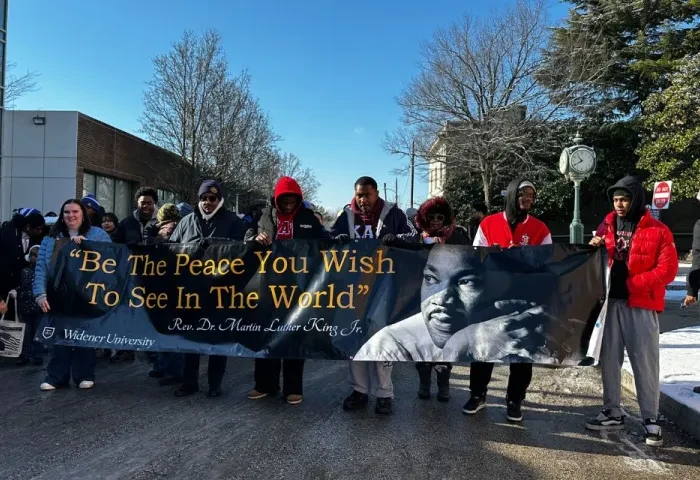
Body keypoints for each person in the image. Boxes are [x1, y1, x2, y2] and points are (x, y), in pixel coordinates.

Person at [586, 176, 678, 447]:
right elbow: (599, 259)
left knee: (645, 363)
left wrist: (632, 285)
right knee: (609, 361)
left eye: (624, 199)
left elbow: (667, 270)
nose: (619, 204)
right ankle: (612, 410)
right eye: (615, 200)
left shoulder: (659, 230)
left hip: (641, 305)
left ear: (636, 199)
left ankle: (651, 418)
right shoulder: (606, 225)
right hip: (610, 304)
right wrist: (595, 248)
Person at [465, 179, 551, 423]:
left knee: (522, 350)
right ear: (512, 195)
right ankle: (478, 394)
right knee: (484, 347)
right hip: (492, 296)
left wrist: (525, 257)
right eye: (523, 194)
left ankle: (515, 400)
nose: (528, 199)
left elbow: (546, 262)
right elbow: (475, 256)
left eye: (532, 196)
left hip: (525, 297)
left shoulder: (540, 228)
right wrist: (495, 254)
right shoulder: (489, 223)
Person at [331, 176, 417, 415]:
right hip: (353, 288)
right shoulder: (346, 215)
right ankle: (359, 391)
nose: (363, 200)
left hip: (384, 287)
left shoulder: (393, 214)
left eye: (367, 195)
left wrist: (395, 239)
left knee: (381, 339)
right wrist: (337, 240)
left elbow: (413, 236)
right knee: (354, 338)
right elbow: (329, 238)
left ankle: (384, 393)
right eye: (359, 195)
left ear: (376, 193)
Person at [245, 176, 329, 405]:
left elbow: (325, 241)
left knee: (293, 336)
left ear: (299, 200)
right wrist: (254, 237)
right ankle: (265, 384)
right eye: (285, 200)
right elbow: (245, 237)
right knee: (266, 334)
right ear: (276, 200)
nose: (289, 204)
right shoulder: (263, 216)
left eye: (293, 200)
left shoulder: (308, 219)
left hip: (297, 288)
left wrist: (336, 240)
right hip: (267, 286)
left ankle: (293, 388)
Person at [169, 180, 247, 398]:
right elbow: (171, 249)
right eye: (204, 198)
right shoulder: (187, 221)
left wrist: (217, 244)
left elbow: (244, 249)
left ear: (219, 200)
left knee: (217, 338)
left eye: (212, 198)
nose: (208, 202)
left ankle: (215, 383)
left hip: (220, 291)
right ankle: (189, 382)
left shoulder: (232, 221)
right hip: (191, 291)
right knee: (190, 338)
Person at [34, 199, 111, 391]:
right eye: (67, 212)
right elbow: (42, 268)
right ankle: (56, 376)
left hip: (86, 295)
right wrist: (40, 294)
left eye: (75, 211)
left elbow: (110, 260)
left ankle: (84, 374)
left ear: (83, 214)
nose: (71, 215)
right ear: (62, 215)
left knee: (84, 336)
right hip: (58, 294)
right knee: (59, 338)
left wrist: (89, 246)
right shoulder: (50, 239)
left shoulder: (98, 234)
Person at [145, 203, 185, 385]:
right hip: (174, 283)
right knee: (171, 327)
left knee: (165, 326)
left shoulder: (156, 230)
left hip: (163, 282)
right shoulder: (181, 226)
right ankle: (167, 367)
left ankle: (170, 369)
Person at [0, 209, 46, 318]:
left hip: (20, 295)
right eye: (38, 229)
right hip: (4, 287)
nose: (40, 232)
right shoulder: (7, 235)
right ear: (28, 227)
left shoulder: (35, 239)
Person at [14, 244, 45, 366]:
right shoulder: (25, 271)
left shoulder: (44, 272)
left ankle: (37, 355)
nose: (33, 258)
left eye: (36, 256)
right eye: (32, 255)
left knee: (37, 333)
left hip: (39, 306)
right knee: (26, 333)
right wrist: (16, 290)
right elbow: (21, 285)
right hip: (25, 306)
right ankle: (25, 355)